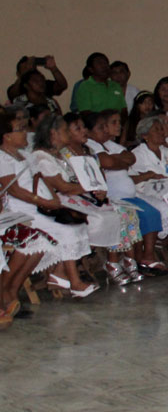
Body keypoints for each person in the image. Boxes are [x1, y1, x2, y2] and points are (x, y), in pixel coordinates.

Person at [34, 113, 141, 284]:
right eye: (75, 129)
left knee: (123, 213)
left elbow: (97, 178)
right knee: (106, 217)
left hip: (83, 197)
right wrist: (90, 188)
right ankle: (103, 263)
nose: (83, 131)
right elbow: (65, 186)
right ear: (54, 134)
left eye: (83, 127)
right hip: (65, 201)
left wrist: (100, 190)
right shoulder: (55, 155)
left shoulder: (85, 151)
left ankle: (124, 260)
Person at [0, 111, 96, 297]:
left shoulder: (24, 155)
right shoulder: (2, 158)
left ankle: (13, 291)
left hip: (37, 206)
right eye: (20, 129)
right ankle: (6, 291)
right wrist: (43, 201)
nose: (26, 132)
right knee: (57, 234)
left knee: (69, 228)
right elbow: (15, 190)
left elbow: (40, 179)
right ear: (7, 136)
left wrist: (54, 200)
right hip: (19, 210)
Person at [86, 110, 156, 278]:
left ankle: (130, 259)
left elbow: (130, 159)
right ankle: (114, 261)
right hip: (106, 197)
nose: (105, 130)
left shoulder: (109, 145)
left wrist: (114, 161)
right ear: (89, 131)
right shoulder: (89, 146)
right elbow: (108, 162)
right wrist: (116, 161)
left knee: (131, 214)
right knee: (121, 215)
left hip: (122, 198)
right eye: (101, 127)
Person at [129, 116, 168, 277]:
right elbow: (132, 178)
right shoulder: (137, 154)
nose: (162, 132)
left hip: (167, 190)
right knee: (162, 207)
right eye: (156, 130)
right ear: (145, 135)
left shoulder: (167, 152)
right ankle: (152, 250)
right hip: (143, 192)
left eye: (162, 129)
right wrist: (149, 175)